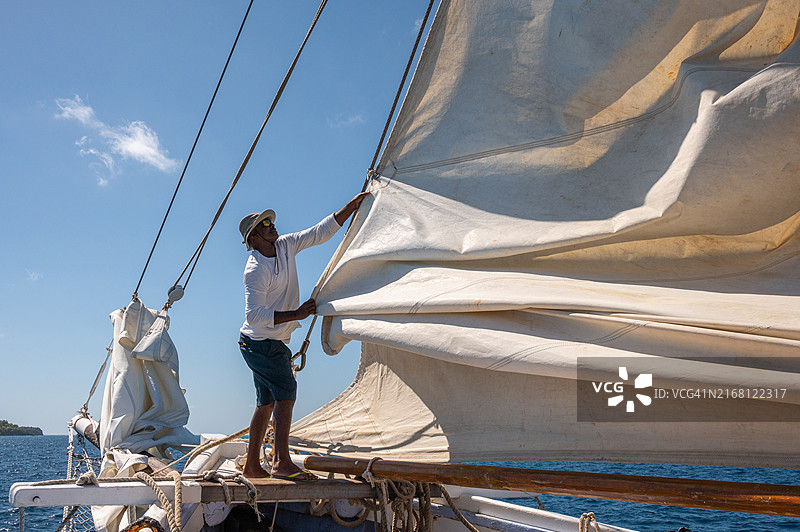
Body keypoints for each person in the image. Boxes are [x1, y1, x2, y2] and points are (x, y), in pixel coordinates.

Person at [237, 191, 370, 480]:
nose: (272, 226)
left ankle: (251, 466)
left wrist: (350, 207)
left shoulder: (285, 246)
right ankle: (281, 463)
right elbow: (254, 316)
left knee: (266, 404)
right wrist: (296, 315)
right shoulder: (255, 270)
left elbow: (318, 233)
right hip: (259, 343)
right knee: (286, 395)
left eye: (270, 222)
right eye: (265, 225)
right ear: (253, 239)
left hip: (269, 343)